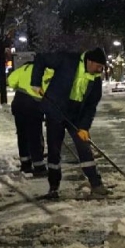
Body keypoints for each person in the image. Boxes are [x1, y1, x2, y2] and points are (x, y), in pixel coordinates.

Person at [31, 47, 109, 200]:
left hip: (76, 116)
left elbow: (90, 106)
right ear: (90, 61)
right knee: (54, 150)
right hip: (56, 111)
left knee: (84, 147)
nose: (100, 70)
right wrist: (35, 82)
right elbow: (41, 58)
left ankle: (96, 184)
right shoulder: (67, 60)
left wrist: (84, 127)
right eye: (99, 66)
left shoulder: (96, 80)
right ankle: (53, 187)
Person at [7, 62, 53, 176]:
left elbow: (10, 80)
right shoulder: (46, 70)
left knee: (22, 134)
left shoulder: (24, 68)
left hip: (18, 102)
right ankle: (39, 166)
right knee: (35, 135)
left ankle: (25, 164)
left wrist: (20, 86)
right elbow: (49, 88)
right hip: (33, 105)